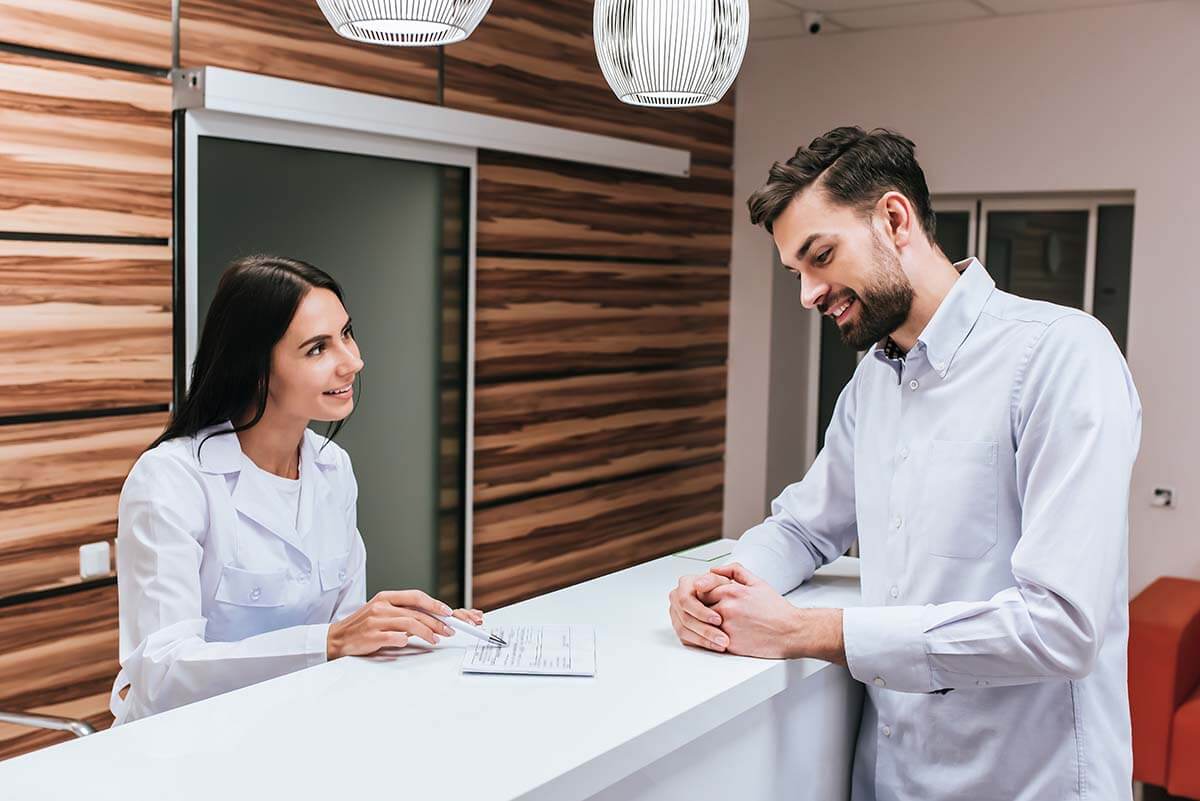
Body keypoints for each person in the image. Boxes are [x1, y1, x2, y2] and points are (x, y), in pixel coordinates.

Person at [668, 127, 1142, 800]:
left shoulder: (1062, 358)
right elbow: (805, 526)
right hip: (891, 780)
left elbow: (1060, 627)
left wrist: (811, 631)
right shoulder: (871, 385)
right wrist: (724, 586)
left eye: (820, 255)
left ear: (895, 219)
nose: (807, 293)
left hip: (1029, 785)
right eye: (795, 271)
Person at [110, 254, 481, 724]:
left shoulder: (333, 468)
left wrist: (411, 630)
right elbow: (160, 675)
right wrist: (330, 641)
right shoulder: (171, 479)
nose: (353, 361)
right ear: (256, 368)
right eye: (317, 349)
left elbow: (346, 639)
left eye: (346, 334)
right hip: (182, 753)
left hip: (296, 729)